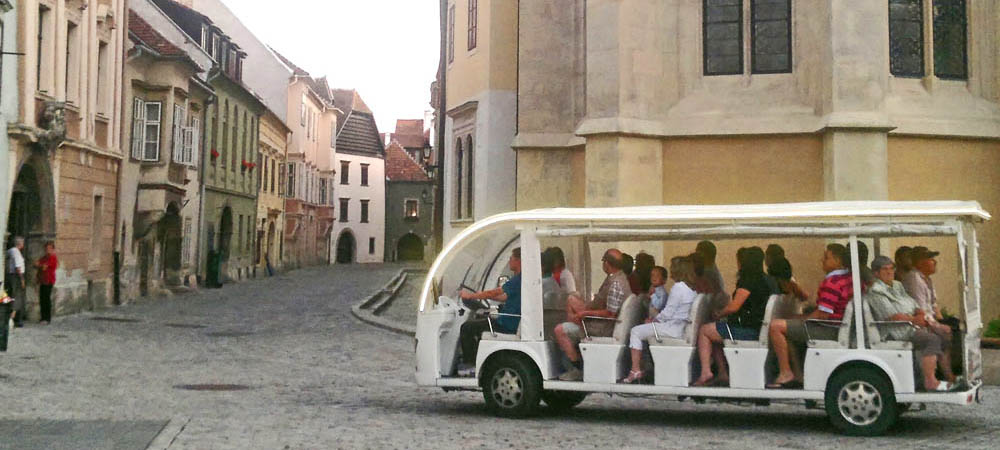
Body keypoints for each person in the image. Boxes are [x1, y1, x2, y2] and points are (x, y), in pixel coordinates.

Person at [767, 244, 853, 389]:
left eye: (826, 257)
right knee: (788, 329)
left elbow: (823, 314)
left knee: (775, 326)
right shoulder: (848, 278)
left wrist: (802, 319)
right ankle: (798, 375)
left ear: (838, 261)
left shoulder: (832, 282)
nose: (822, 260)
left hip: (827, 328)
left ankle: (785, 372)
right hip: (838, 325)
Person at [866, 256, 957, 391]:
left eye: (892, 268)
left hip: (912, 325)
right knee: (931, 340)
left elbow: (912, 303)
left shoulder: (897, 285)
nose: (890, 272)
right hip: (896, 331)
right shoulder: (876, 291)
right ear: (876, 273)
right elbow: (892, 316)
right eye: (885, 270)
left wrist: (920, 313)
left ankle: (949, 377)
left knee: (944, 335)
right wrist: (914, 319)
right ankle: (930, 381)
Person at [692, 247, 773, 387]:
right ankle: (722, 373)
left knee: (705, 330)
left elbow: (734, 306)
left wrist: (719, 313)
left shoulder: (748, 281)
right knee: (715, 332)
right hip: (755, 328)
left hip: (746, 329)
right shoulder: (764, 280)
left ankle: (706, 371)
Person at [555, 249, 629, 381]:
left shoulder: (616, 284)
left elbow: (610, 314)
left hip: (602, 326)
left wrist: (585, 313)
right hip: (600, 319)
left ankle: (577, 368)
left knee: (559, 330)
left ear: (606, 263)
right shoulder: (619, 278)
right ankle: (575, 325)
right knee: (571, 298)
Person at [622, 260, 697, 383]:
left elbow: (668, 312)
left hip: (672, 328)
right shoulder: (691, 288)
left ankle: (635, 370)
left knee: (635, 331)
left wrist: (654, 320)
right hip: (680, 327)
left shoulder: (678, 287)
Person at [457, 248, 522, 374]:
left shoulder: (518, 279)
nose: (509, 261)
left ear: (518, 261)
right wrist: (482, 295)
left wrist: (471, 296)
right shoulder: (520, 280)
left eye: (511, 258)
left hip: (507, 324)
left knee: (467, 327)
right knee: (478, 323)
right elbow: (503, 297)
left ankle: (471, 365)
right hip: (509, 321)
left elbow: (495, 292)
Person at [902, 246, 943, 321]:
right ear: (920, 263)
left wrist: (943, 322)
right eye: (931, 259)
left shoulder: (927, 279)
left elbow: (934, 306)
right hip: (920, 325)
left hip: (930, 321)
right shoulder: (914, 279)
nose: (935, 262)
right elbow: (921, 311)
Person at [35, 241, 58, 324]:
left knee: (46, 299)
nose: (47, 250)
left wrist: (40, 266)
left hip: (49, 280)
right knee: (42, 299)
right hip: (42, 280)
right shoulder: (44, 257)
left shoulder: (53, 257)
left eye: (49, 248)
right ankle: (43, 317)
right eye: (46, 248)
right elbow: (35, 264)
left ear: (52, 249)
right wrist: (41, 266)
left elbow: (44, 267)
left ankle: (47, 319)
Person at [5, 237, 26, 327]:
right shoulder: (16, 252)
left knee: (12, 296)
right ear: (20, 244)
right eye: (23, 243)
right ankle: (13, 319)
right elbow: (18, 267)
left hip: (11, 276)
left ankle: (12, 318)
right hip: (16, 277)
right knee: (16, 297)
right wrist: (22, 279)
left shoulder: (11, 250)